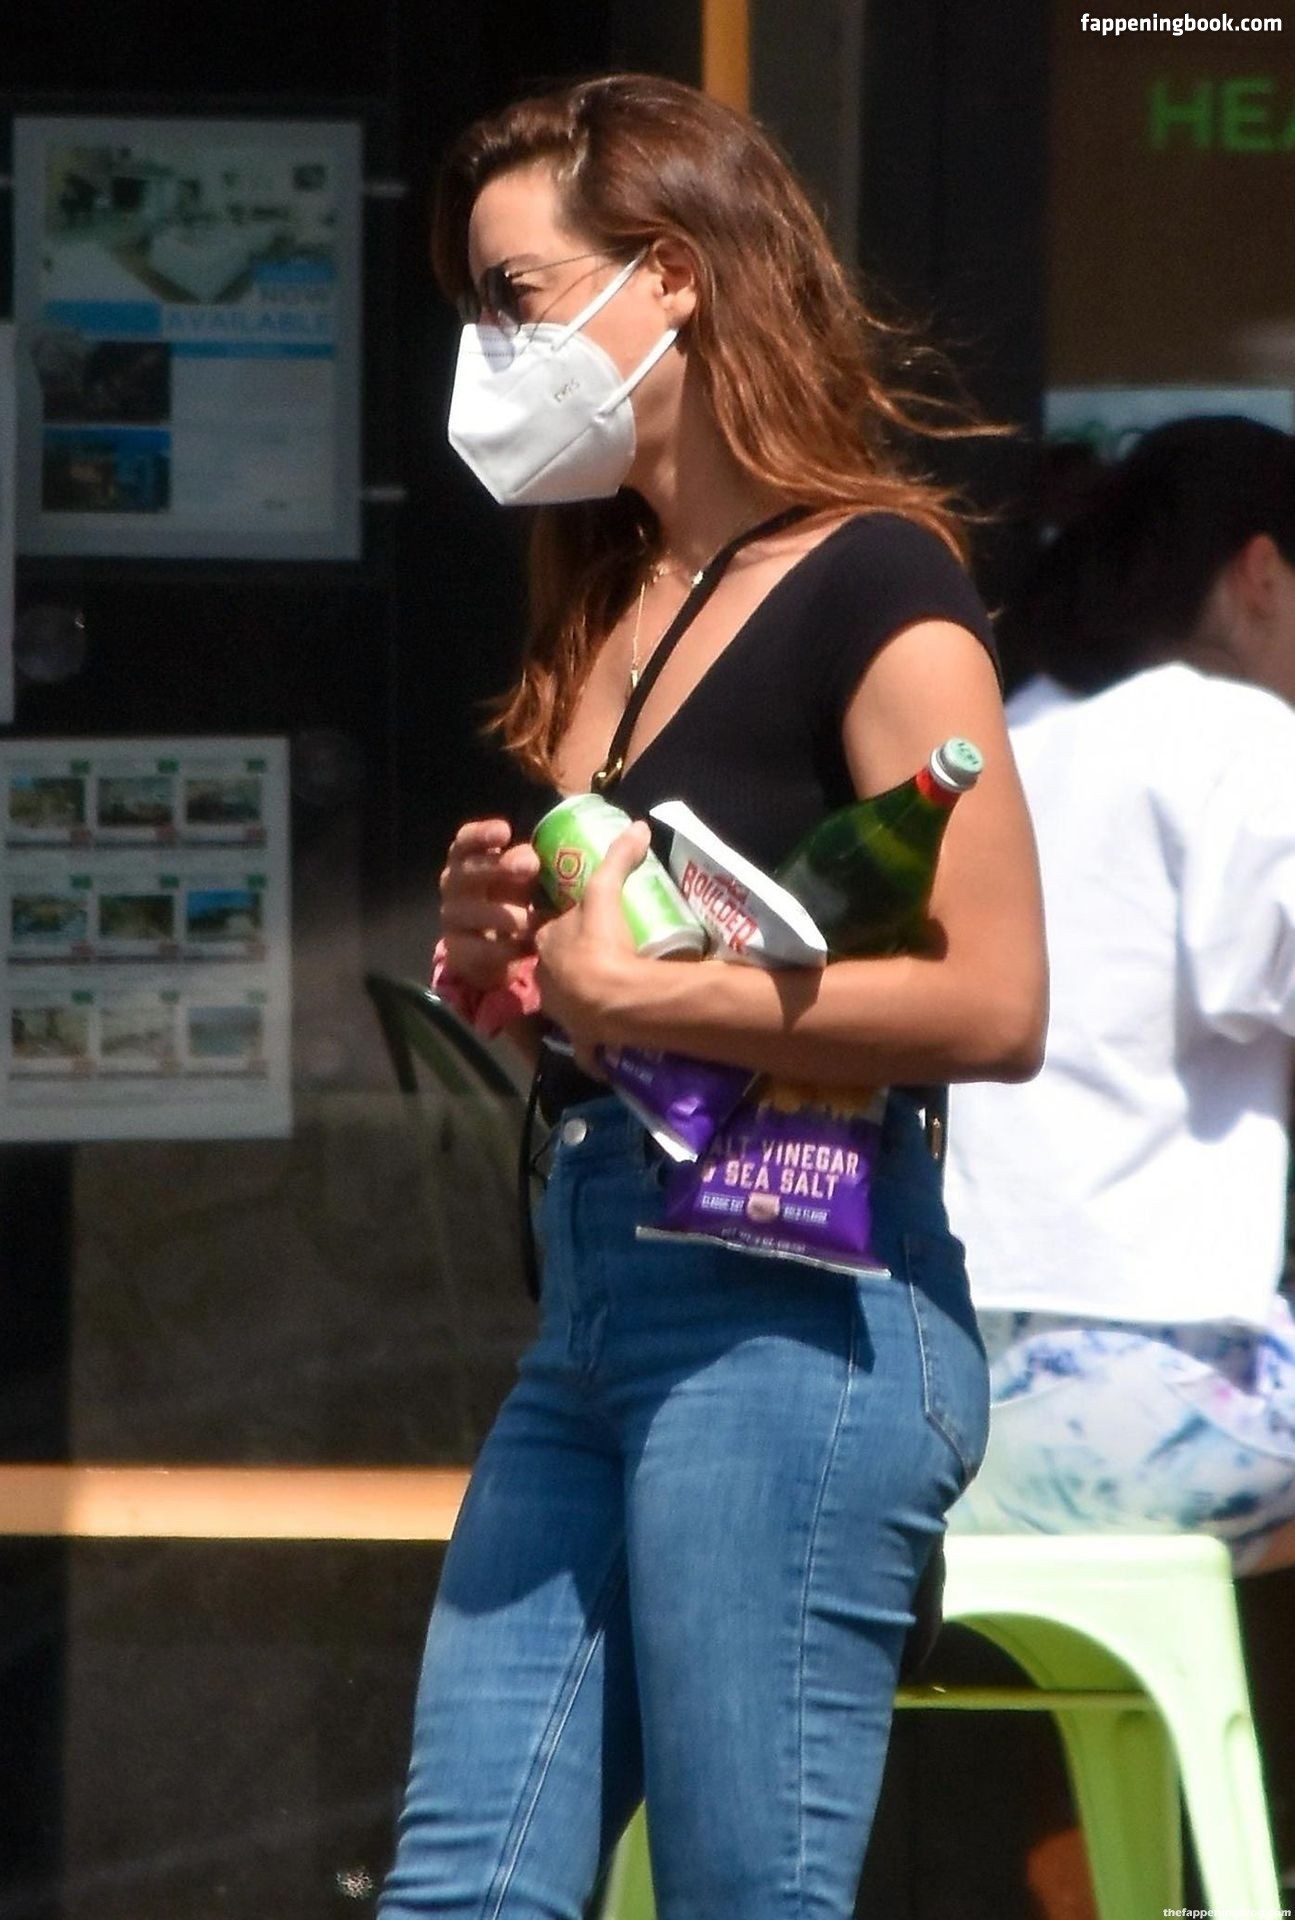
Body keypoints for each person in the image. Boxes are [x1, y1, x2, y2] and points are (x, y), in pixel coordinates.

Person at [381, 73, 1047, 1920]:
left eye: (515, 298)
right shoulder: (609, 599)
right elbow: (649, 966)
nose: (489, 351)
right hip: (599, 1284)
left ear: (668, 274)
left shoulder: (875, 583)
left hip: (797, 1310)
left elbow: (996, 1000)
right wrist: (519, 959)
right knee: (465, 1888)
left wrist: (658, 999)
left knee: (746, 1891)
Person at [944, 415, 1295, 1579]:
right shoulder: (1238, 736)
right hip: (1152, 1397)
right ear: (1258, 573)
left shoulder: (1006, 735)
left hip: (938, 1405)